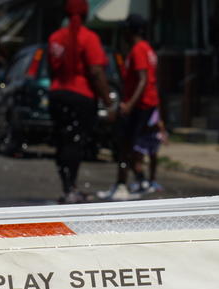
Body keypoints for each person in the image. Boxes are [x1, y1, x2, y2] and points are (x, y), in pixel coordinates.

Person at [48, 0, 115, 203]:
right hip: (81, 96)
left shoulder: (55, 38)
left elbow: (52, 70)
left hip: (58, 94)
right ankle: (72, 188)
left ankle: (67, 186)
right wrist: (108, 101)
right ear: (86, 15)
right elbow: (96, 72)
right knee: (76, 142)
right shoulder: (89, 38)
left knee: (62, 141)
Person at [98, 14, 160, 200]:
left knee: (126, 145)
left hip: (140, 106)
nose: (122, 33)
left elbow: (143, 80)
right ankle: (135, 181)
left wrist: (129, 105)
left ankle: (124, 185)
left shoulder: (138, 50)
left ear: (130, 30)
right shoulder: (147, 49)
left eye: (125, 29)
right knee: (130, 146)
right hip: (147, 104)